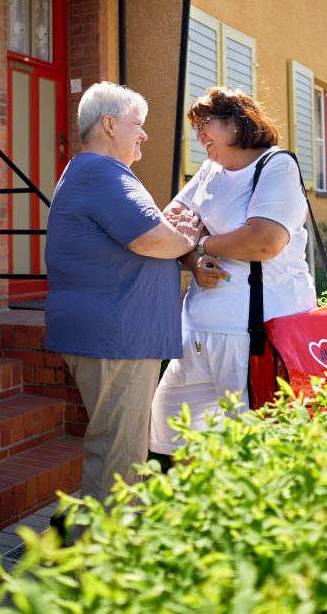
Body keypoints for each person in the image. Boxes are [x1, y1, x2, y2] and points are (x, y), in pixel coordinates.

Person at [45, 81, 201, 504]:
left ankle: (100, 558)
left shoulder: (93, 173)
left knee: (116, 451)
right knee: (119, 460)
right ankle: (101, 567)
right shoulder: (102, 172)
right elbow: (152, 239)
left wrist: (174, 236)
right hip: (117, 339)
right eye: (138, 124)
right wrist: (187, 236)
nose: (144, 134)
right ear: (109, 124)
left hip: (115, 336)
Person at [149, 86, 316, 457]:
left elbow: (264, 240)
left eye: (206, 124)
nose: (200, 136)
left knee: (256, 449)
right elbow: (171, 226)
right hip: (196, 334)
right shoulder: (209, 172)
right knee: (165, 428)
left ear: (237, 122)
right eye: (195, 130)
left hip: (256, 336)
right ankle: (186, 511)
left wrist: (205, 242)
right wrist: (192, 259)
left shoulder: (276, 166)